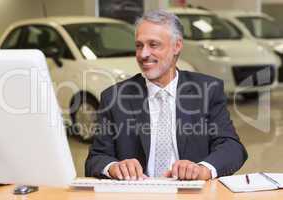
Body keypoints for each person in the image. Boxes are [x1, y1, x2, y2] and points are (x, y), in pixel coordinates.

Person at [85, 10, 247, 181]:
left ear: (177, 46)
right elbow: (96, 159)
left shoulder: (208, 90)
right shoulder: (114, 97)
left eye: (153, 45)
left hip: (189, 194)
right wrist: (113, 167)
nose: (143, 54)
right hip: (137, 194)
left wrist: (202, 169)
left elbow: (232, 148)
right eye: (139, 45)